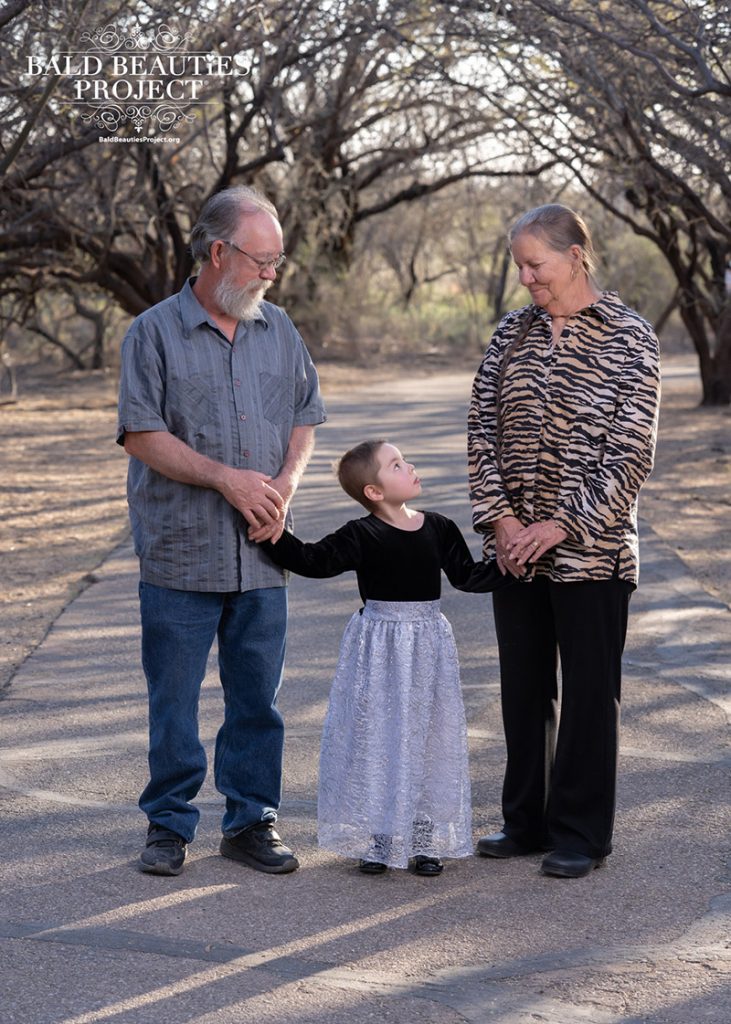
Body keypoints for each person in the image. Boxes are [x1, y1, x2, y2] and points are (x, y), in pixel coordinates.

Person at [117, 185, 326, 876]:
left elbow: (305, 416)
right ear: (217, 252)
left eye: (277, 261)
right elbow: (142, 434)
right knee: (174, 701)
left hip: (263, 553)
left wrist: (285, 484)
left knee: (257, 701)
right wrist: (225, 479)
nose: (271, 274)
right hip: (180, 551)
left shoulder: (280, 329)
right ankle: (168, 825)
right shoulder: (152, 332)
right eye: (261, 261)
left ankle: (251, 821)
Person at [468, 203, 660, 879]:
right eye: (519, 266)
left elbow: (631, 453)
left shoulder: (630, 337)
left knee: (587, 695)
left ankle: (580, 833)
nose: (525, 278)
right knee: (523, 691)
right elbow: (480, 430)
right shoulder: (511, 333)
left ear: (576, 256)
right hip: (514, 551)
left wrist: (560, 525)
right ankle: (524, 822)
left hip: (593, 552)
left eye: (535, 265)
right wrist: (501, 521)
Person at [258, 439, 510, 876]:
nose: (409, 466)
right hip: (380, 648)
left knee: (428, 736)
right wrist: (275, 535)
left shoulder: (439, 527)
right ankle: (381, 835)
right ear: (373, 491)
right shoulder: (362, 534)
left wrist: (513, 566)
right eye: (396, 464)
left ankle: (424, 837)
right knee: (382, 735)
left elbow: (467, 577)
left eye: (405, 460)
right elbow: (314, 560)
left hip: (428, 646)